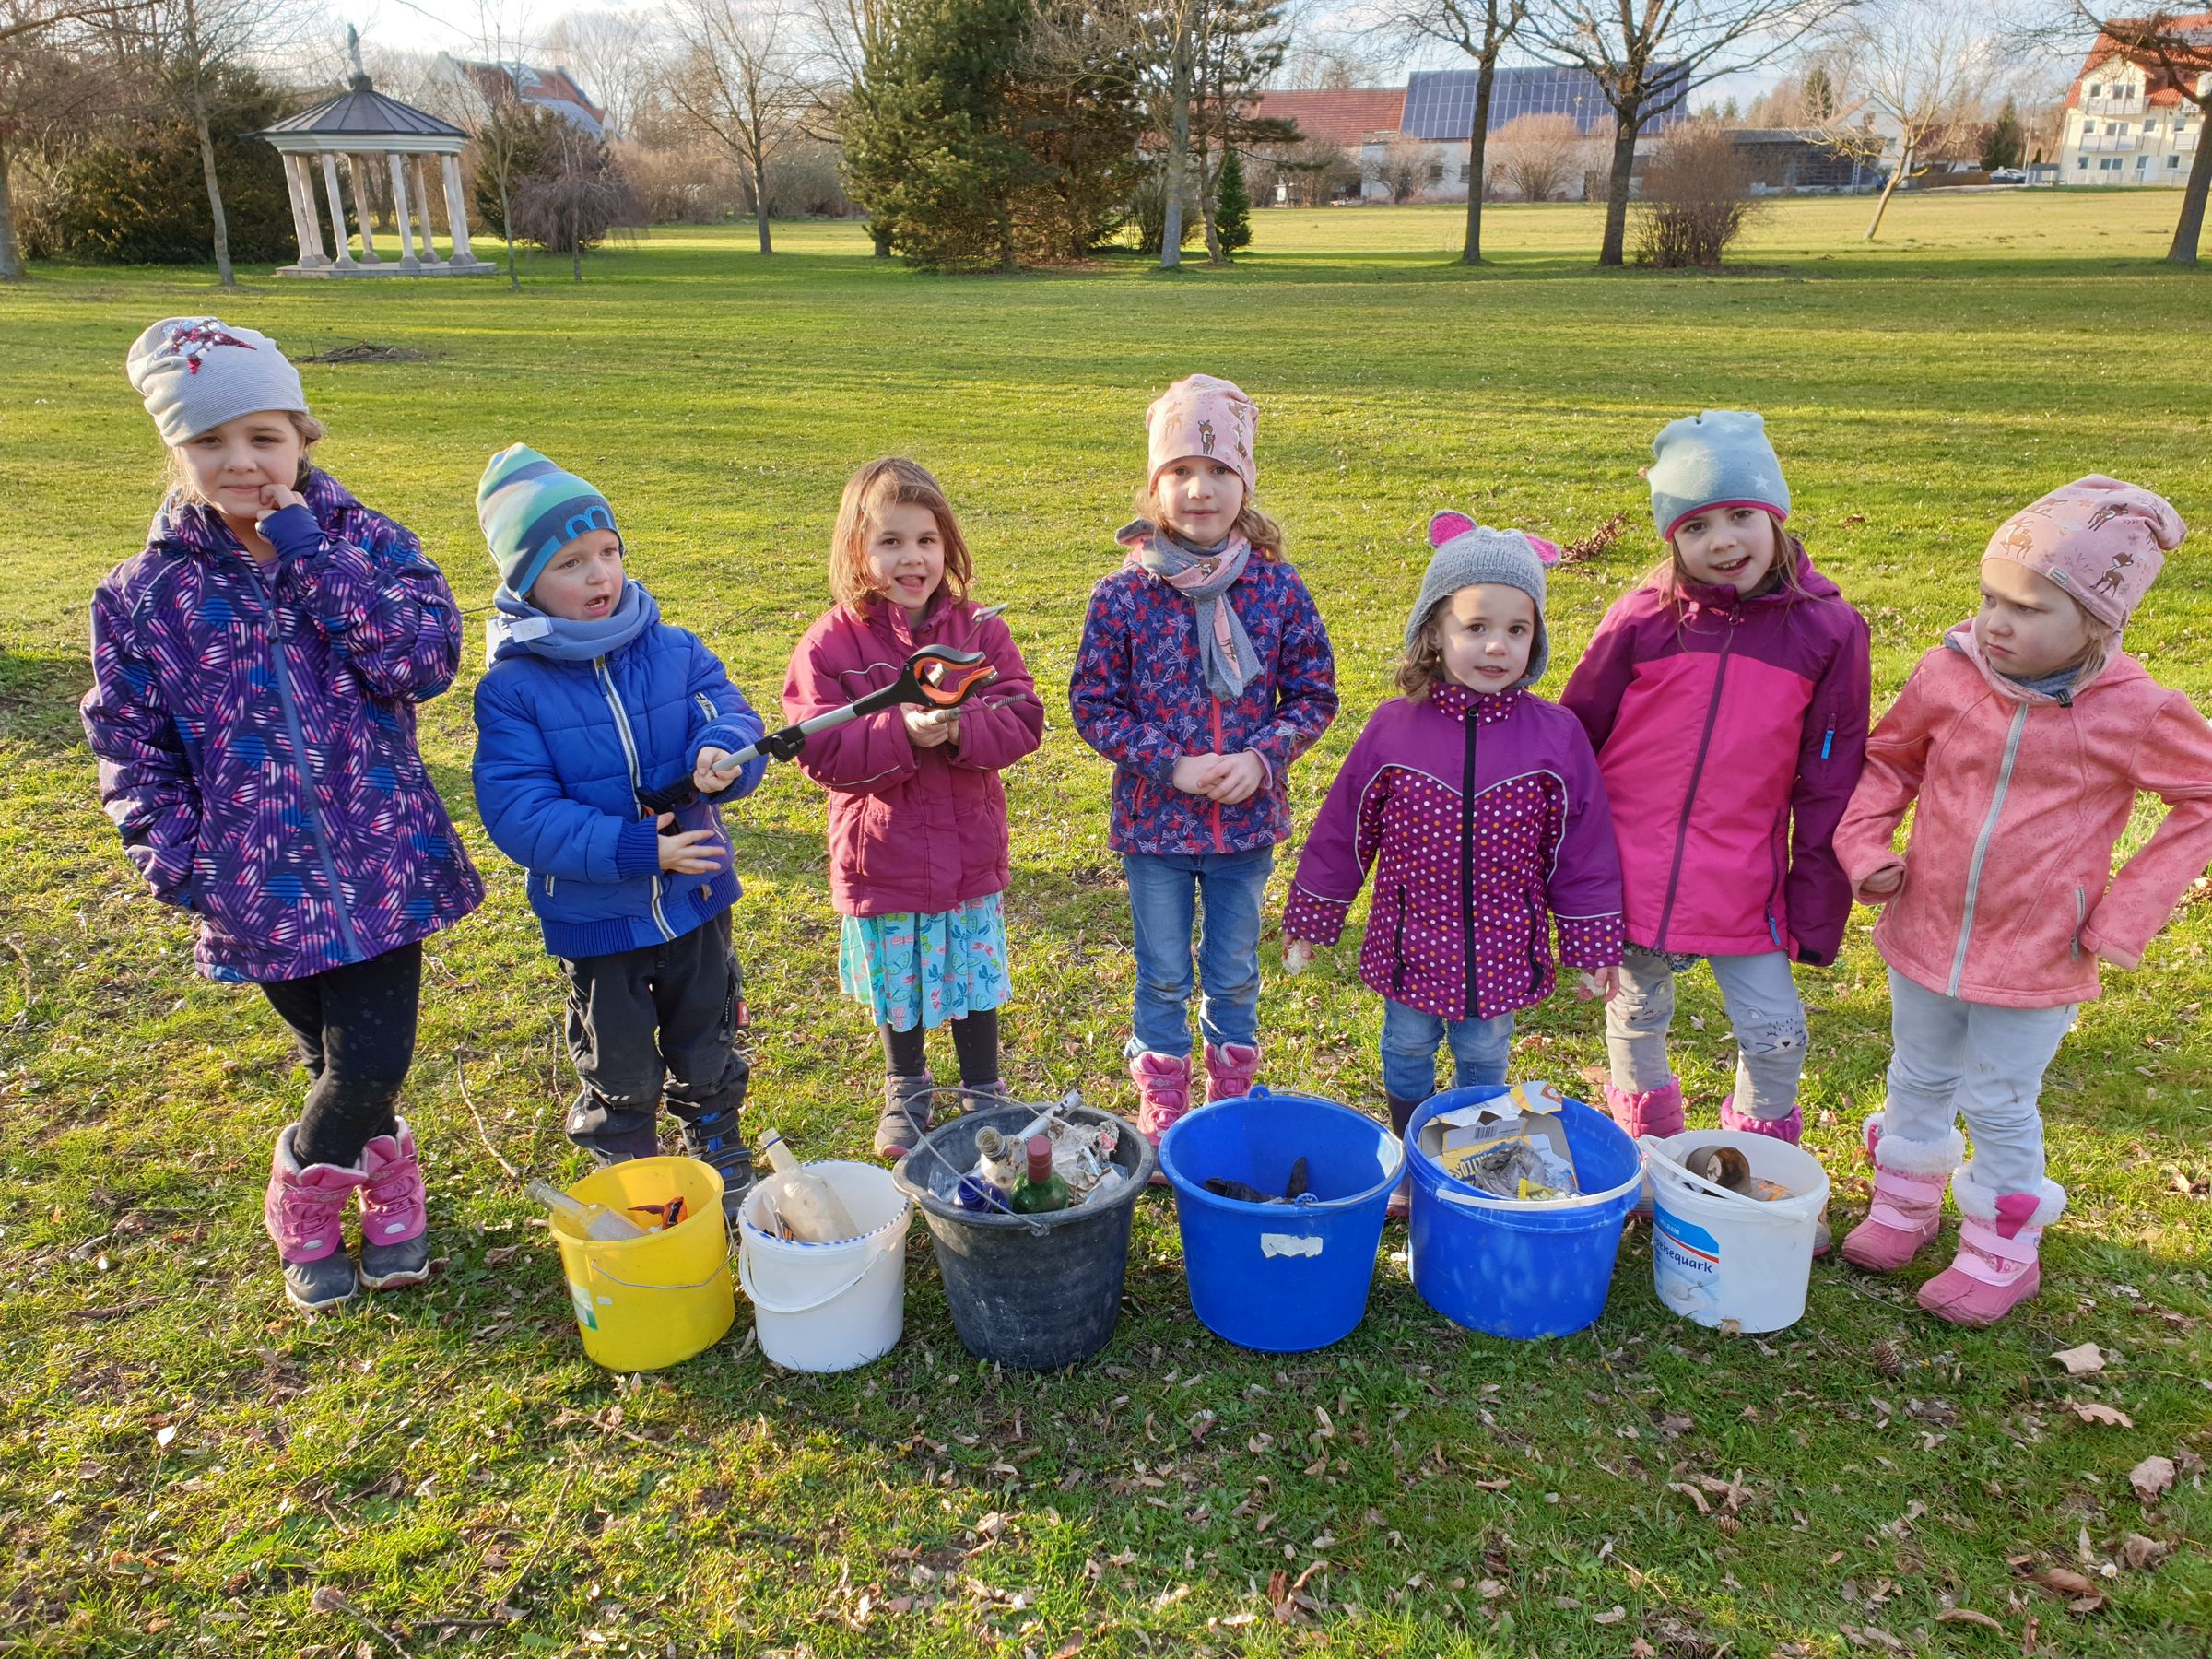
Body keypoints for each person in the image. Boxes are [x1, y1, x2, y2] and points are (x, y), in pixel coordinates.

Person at [83, 317, 484, 1312]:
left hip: (381, 855)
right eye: (209, 443)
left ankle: (303, 1186)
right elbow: (129, 740)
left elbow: (421, 659)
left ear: (302, 436)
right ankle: (386, 1176)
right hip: (256, 883)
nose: (239, 462)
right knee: (328, 1057)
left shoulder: (367, 544)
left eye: (261, 437)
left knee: (370, 1060)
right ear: (176, 455)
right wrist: (179, 860)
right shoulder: (145, 596)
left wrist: (310, 552)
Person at [1834, 477, 2212, 1325]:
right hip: (1924, 928)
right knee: (1918, 1072)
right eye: (1989, 598)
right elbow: (1888, 762)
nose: (1997, 623)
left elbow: (2205, 795)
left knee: (1999, 1100)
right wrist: (1864, 849)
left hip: (2040, 950)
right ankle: (1902, 1205)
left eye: (2030, 607)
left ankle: (2002, 1250)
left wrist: (2124, 914)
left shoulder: (2137, 711)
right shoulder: (1948, 673)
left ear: (2099, 621)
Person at [1283, 515, 1623, 1210]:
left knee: (1484, 1056)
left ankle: (1470, 1163)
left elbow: (1582, 849)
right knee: (1405, 1046)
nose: (1496, 646)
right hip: (1413, 940)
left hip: (1502, 943)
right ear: (1435, 632)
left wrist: (1590, 942)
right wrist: (1315, 918)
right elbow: (1345, 831)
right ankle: (1412, 1154)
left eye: (1516, 630)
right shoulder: (1393, 727)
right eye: (1475, 627)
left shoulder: (1555, 737)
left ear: (1536, 638)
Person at [471, 445, 771, 1211]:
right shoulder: (513, 688)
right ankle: (628, 1162)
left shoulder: (672, 647)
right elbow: (520, 813)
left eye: (609, 552)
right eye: (571, 562)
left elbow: (729, 713)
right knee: (620, 1056)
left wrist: (722, 755)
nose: (600, 575)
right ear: (525, 580)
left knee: (706, 1028)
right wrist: (640, 849)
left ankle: (715, 1133)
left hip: (698, 896)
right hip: (597, 918)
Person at [1560, 410, 1870, 1147]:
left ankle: (1758, 1163)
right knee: (1636, 1014)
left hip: (1745, 881)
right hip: (1632, 871)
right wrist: (1570, 875)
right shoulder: (1642, 619)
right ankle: (1648, 1150)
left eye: (1740, 514)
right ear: (1671, 538)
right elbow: (1575, 740)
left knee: (1776, 1035)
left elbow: (1833, 773)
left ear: (1775, 513)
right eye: (1696, 526)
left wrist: (1818, 896)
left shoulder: (1828, 632)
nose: (1722, 540)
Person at [1070, 374, 1338, 1144]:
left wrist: (1263, 757)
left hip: (1243, 830)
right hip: (1156, 827)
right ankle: (1163, 1101)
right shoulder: (1122, 596)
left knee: (1231, 973)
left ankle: (1226, 1096)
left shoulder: (1279, 589)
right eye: (1182, 470)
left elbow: (1315, 694)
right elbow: (1094, 704)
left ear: (1245, 483)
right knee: (1161, 971)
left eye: (1221, 471)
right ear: (1157, 484)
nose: (1200, 488)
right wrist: (1172, 766)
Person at [783, 459, 1042, 1159]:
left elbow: (1023, 716)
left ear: (948, 546)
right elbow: (819, 748)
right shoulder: (831, 643)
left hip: (965, 847)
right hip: (884, 852)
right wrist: (899, 730)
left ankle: (983, 1087)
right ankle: (907, 1086)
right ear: (857, 553)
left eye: (926, 541)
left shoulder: (979, 632)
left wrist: (961, 726)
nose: (911, 558)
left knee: (973, 968)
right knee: (901, 977)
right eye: (890, 542)